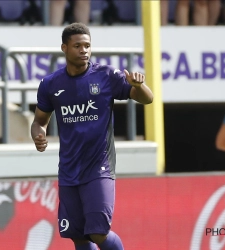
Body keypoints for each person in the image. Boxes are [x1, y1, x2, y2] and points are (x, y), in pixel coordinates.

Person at [31, 23, 153, 250]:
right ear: (64, 48)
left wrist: (140, 85)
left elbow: (146, 99)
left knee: (98, 232)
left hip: (99, 168)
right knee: (78, 235)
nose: (84, 50)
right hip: (68, 170)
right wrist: (39, 134)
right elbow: (39, 121)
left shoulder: (106, 76)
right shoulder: (50, 84)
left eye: (87, 45)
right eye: (77, 46)